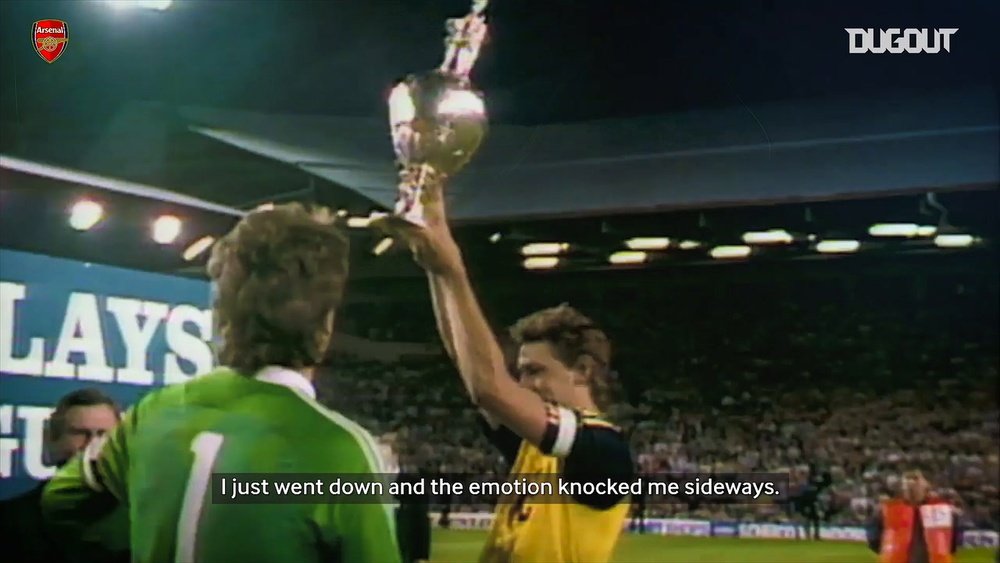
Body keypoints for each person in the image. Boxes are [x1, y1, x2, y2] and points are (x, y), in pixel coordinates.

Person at [41, 204, 400, 563]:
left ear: (224, 311)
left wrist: (147, 531)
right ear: (325, 321)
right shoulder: (340, 450)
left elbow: (62, 496)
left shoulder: (152, 414)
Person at [394, 188, 635, 562]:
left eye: (536, 372)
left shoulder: (604, 452)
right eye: (521, 373)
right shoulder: (536, 448)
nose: (524, 385)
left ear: (583, 371)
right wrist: (433, 267)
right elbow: (467, 362)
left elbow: (489, 388)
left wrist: (453, 270)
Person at [0, 388, 122, 562]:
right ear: (51, 440)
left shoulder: (141, 526)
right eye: (80, 433)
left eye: (104, 435)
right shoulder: (10, 521)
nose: (92, 446)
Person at [867, 469, 961, 563]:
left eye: (916, 479)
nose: (911, 483)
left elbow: (953, 542)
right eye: (907, 479)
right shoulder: (887, 509)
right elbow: (874, 540)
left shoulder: (943, 509)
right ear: (902, 487)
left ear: (927, 485)